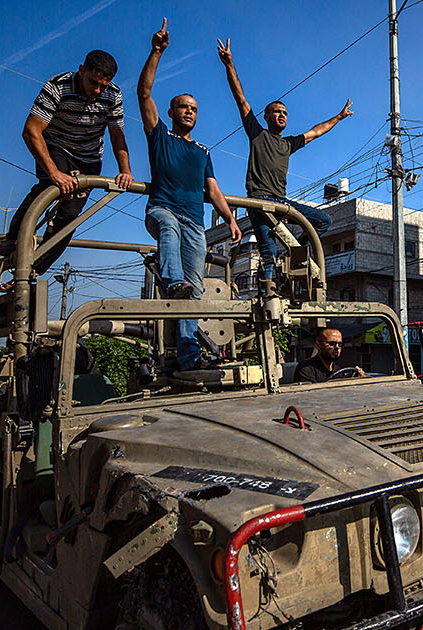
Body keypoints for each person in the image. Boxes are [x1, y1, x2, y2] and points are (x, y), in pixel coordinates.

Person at [140, 19, 243, 372]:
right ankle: (172, 282)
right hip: (162, 210)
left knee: (195, 291)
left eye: (194, 108)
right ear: (172, 112)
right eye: (183, 107)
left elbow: (212, 189)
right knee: (169, 231)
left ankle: (188, 356)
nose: (189, 111)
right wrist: (156, 52)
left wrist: (230, 219)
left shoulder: (202, 151)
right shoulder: (160, 136)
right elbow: (144, 94)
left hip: (195, 223)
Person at [217, 38, 352, 283]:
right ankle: (266, 289)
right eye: (277, 112)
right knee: (267, 255)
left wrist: (339, 117)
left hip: (281, 201)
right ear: (266, 116)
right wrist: (229, 65)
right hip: (259, 201)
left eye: (285, 113)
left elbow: (316, 131)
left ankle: (294, 253)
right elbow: (240, 98)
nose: (281, 115)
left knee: (323, 221)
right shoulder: (257, 134)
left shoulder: (288, 143)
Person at [0, 49, 136, 276]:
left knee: (70, 216)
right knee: (49, 187)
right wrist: (54, 173)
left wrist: (125, 170)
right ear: (81, 71)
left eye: (103, 86)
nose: (97, 90)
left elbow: (117, 135)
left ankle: (35, 270)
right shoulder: (58, 86)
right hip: (57, 146)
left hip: (88, 156)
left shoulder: (113, 95)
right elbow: (31, 131)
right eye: (93, 83)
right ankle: (13, 239)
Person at [294, 327, 363, 384]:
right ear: (318, 345)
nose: (337, 347)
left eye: (340, 344)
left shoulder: (338, 371)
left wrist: (349, 379)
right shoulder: (306, 369)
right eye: (332, 344)